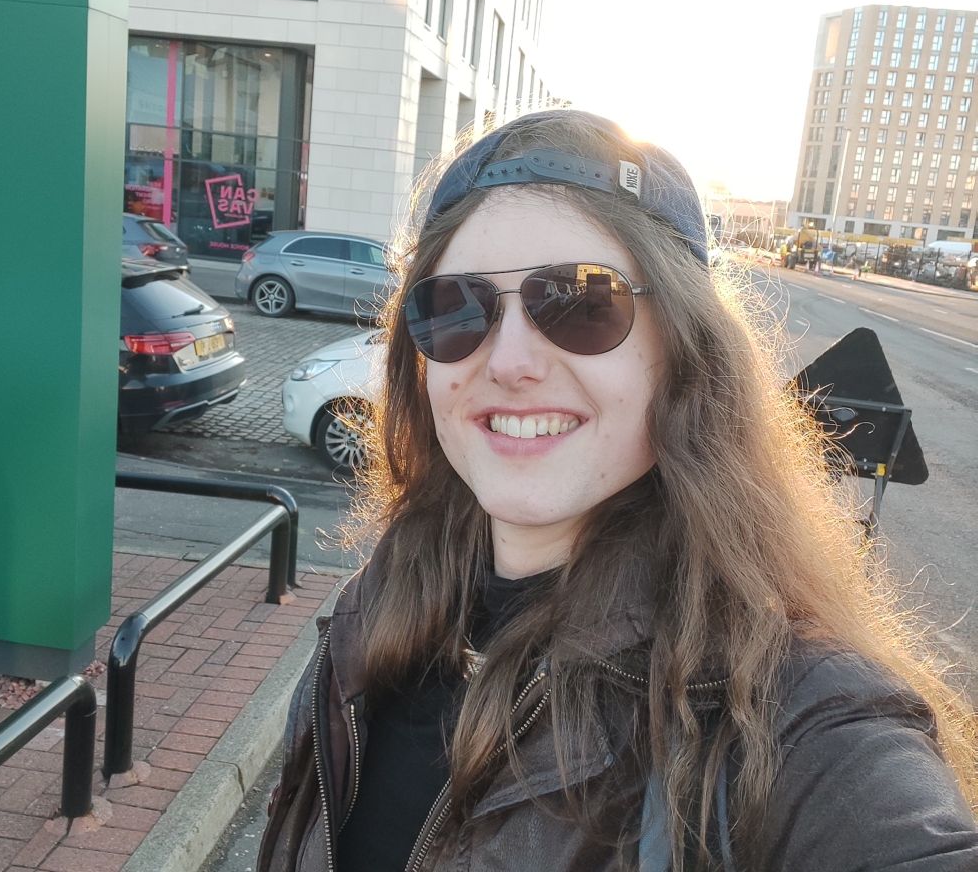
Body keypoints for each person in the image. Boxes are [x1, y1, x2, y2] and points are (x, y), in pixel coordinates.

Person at [257, 110, 978, 872]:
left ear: (685, 355)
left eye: (579, 302)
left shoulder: (796, 723)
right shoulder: (373, 614)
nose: (508, 361)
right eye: (455, 308)